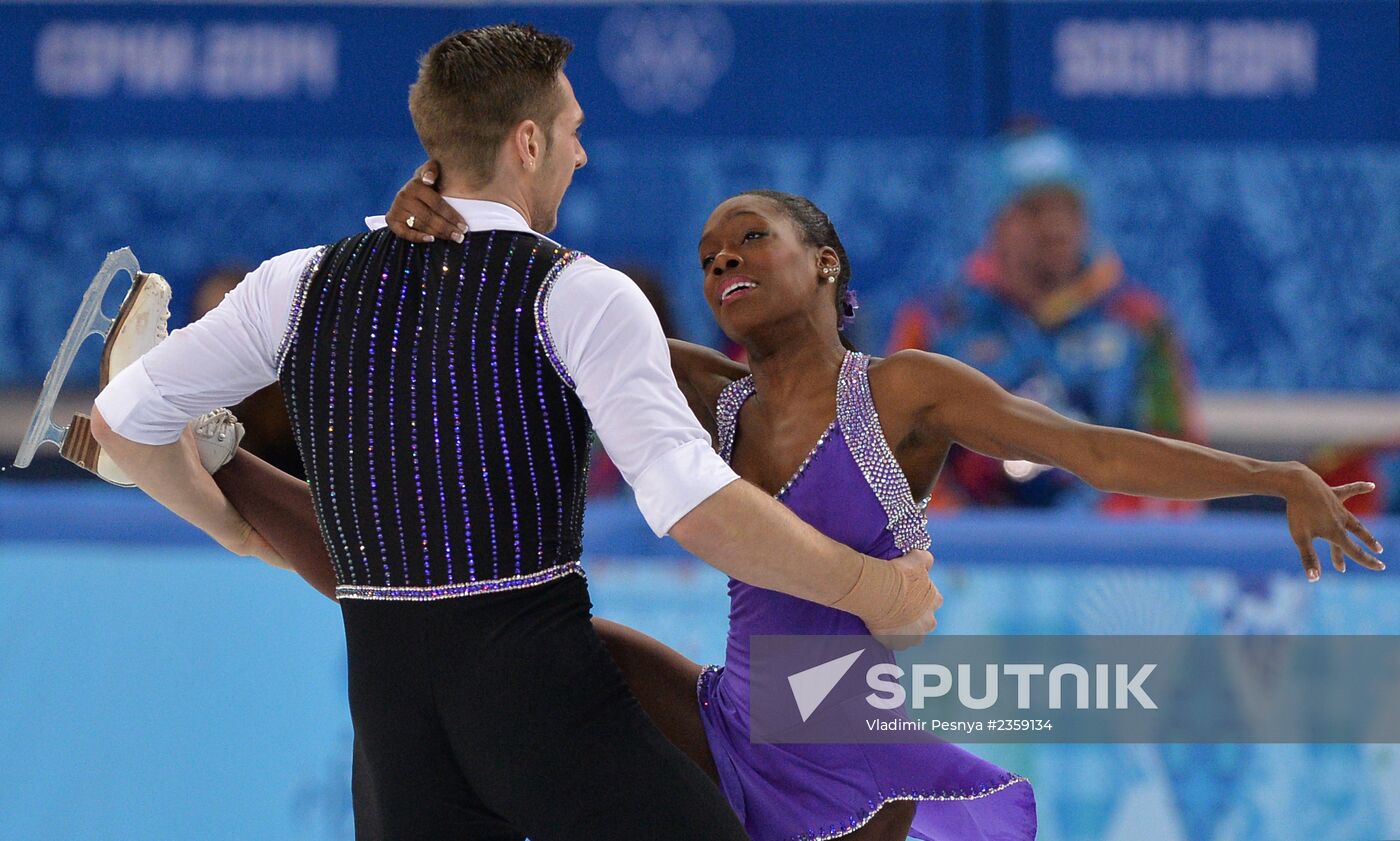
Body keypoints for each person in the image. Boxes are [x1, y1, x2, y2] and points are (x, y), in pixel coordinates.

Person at [228, 180, 1383, 840]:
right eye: (709, 249)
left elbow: (1085, 446)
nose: (724, 254)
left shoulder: (903, 391)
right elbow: (549, 297)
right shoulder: (710, 391)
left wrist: (1270, 477)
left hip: (844, 726)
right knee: (496, 626)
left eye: (752, 237)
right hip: (734, 710)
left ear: (824, 262)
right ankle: (218, 456)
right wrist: (452, 225)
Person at [83, 25, 940, 841]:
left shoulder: (298, 282)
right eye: (571, 130)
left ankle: (220, 458)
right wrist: (876, 589)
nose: (582, 151)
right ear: (527, 143)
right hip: (542, 705)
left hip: (393, 729)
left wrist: (232, 528)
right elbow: (692, 505)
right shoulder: (579, 292)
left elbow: (122, 420)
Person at [888, 124, 1200, 512]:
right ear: (996, 223)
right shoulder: (937, 324)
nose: (1055, 228)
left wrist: (1098, 536)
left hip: (1109, 555)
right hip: (971, 557)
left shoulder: (1139, 322)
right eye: (1034, 210)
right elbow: (896, 464)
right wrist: (969, 538)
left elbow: (1176, 458)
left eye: (1068, 208)